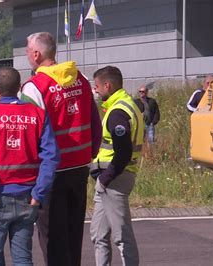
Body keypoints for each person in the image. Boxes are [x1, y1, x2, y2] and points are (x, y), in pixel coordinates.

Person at [21, 31, 102, 266]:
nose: (27, 55)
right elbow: (94, 120)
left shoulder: (35, 87)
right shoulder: (81, 78)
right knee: (73, 234)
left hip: (51, 171)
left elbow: (31, 132)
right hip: (79, 165)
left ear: (36, 54)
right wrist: (91, 152)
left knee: (52, 238)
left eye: (27, 51)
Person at [0, 67, 59, 265]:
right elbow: (51, 157)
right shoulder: (38, 115)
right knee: (23, 258)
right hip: (27, 196)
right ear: (19, 87)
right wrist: (38, 193)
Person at [90, 66, 144, 266]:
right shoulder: (126, 105)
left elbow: (122, 152)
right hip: (111, 179)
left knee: (122, 235)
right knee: (98, 234)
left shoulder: (118, 112)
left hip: (114, 179)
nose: (95, 91)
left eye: (97, 87)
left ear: (108, 85)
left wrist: (105, 179)